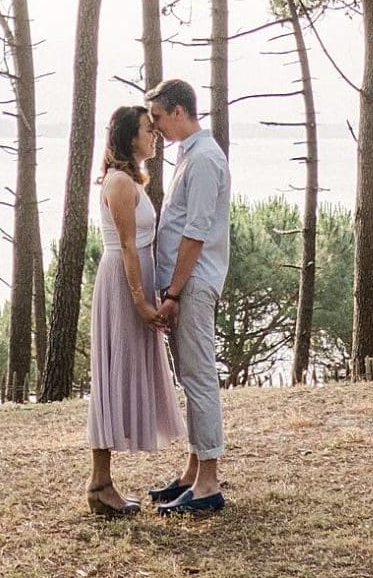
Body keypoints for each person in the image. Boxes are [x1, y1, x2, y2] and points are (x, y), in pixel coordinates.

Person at [85, 104, 185, 519]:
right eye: (148, 129)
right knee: (113, 375)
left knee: (123, 373)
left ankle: (102, 482)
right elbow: (127, 247)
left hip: (136, 278)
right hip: (123, 286)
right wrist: (141, 301)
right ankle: (99, 483)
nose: (155, 135)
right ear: (129, 137)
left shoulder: (131, 180)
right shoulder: (121, 183)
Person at [145, 77, 231, 517]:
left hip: (192, 284)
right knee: (190, 377)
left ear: (179, 111)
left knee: (199, 377)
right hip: (183, 284)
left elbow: (195, 234)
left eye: (158, 117)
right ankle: (192, 472)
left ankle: (209, 482)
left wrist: (174, 292)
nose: (153, 126)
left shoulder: (203, 161)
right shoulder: (189, 156)